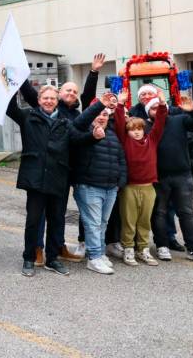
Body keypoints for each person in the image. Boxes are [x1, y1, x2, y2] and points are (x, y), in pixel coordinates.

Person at [6, 85, 104, 277]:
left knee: (57, 220)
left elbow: (77, 139)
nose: (49, 101)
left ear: (57, 100)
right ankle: (29, 258)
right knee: (33, 221)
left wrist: (93, 136)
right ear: (39, 99)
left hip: (58, 177)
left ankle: (52, 258)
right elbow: (10, 109)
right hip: (35, 178)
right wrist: (13, 86)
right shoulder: (28, 117)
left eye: (52, 98)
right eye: (45, 98)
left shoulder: (65, 122)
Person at [19, 53, 106, 264]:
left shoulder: (76, 116)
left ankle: (57, 247)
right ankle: (37, 249)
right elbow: (30, 93)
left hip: (66, 170)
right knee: (38, 214)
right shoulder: (50, 109)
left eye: (74, 92)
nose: (71, 93)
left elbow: (89, 99)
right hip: (44, 169)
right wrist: (18, 71)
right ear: (59, 94)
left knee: (57, 215)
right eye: (68, 90)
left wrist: (93, 72)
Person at [141, 95, 193, 264]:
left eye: (159, 106)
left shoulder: (179, 120)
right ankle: (162, 246)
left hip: (183, 175)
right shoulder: (144, 127)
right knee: (159, 213)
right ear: (147, 112)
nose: (157, 110)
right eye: (153, 108)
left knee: (186, 213)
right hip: (158, 178)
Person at [71, 94, 126, 274]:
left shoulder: (111, 133)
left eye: (105, 113)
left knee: (102, 223)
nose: (101, 116)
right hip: (89, 186)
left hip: (110, 187)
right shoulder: (81, 130)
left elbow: (120, 159)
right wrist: (92, 135)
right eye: (98, 113)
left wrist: (120, 182)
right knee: (93, 223)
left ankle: (100, 253)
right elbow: (79, 125)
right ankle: (94, 258)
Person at [113, 88, 168, 266]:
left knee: (144, 221)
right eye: (132, 130)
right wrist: (120, 104)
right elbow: (120, 122)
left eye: (139, 129)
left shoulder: (152, 140)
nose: (136, 132)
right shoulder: (125, 140)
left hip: (148, 187)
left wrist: (161, 103)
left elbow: (160, 122)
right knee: (129, 221)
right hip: (129, 188)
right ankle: (128, 249)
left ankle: (143, 249)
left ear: (144, 130)